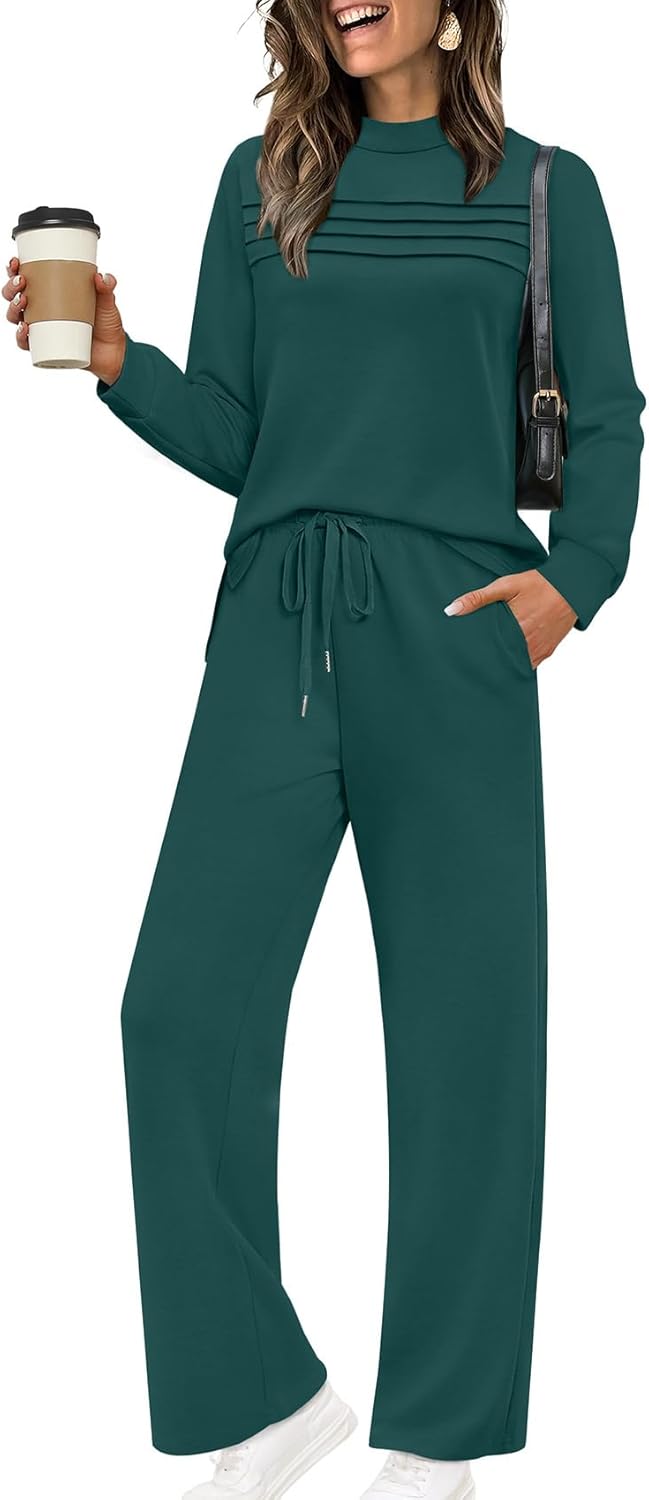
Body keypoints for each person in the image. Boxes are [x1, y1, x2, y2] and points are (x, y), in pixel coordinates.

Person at [6, 2, 644, 1498]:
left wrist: (573, 584)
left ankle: (439, 1440)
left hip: (455, 626)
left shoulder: (545, 191)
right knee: (177, 1013)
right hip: (272, 629)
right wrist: (120, 363)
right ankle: (263, 1398)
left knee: (467, 1044)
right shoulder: (261, 179)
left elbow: (610, 418)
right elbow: (246, 437)